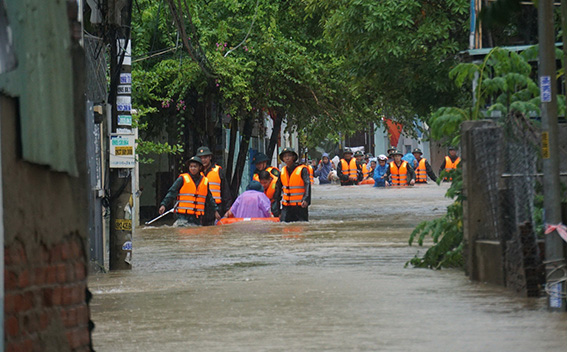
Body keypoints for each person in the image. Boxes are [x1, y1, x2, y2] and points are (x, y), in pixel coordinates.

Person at [158, 156, 218, 226]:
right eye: (191, 166)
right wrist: (164, 204)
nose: (192, 169)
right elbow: (172, 192)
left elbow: (209, 198)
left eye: (195, 167)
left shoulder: (205, 181)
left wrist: (215, 210)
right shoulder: (182, 179)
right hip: (183, 216)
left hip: (197, 217)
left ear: (200, 168)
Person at [196, 146, 233, 225]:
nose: (203, 160)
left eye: (205, 157)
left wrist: (227, 209)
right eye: (200, 158)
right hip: (200, 208)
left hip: (216, 208)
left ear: (210, 157)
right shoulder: (195, 172)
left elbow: (225, 191)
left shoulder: (218, 171)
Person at [272, 147, 311, 222]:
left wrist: (306, 199)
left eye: (289, 156)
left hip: (300, 207)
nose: (287, 158)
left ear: (293, 157)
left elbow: (307, 184)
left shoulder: (302, 169)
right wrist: (277, 210)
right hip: (286, 207)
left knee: (301, 228)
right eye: (285, 156)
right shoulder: (282, 171)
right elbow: (277, 190)